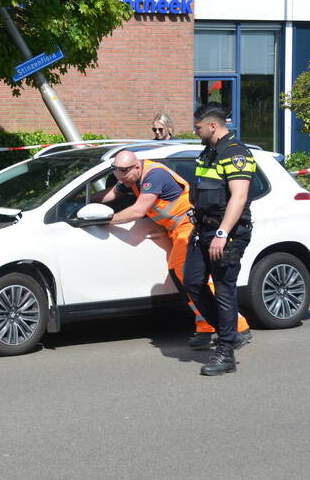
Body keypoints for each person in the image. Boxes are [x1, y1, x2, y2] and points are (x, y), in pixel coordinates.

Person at [97, 150, 249, 346]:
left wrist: (107, 219)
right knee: (189, 280)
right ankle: (206, 328)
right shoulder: (130, 175)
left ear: (136, 166)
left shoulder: (154, 175)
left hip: (189, 226)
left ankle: (238, 326)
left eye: (125, 177)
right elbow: (112, 193)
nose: (124, 182)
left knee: (187, 276)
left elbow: (139, 210)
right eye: (120, 177)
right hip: (175, 229)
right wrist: (84, 201)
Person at [185, 102, 256, 376]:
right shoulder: (210, 152)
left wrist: (222, 234)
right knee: (192, 281)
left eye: (198, 126)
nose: (195, 130)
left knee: (225, 290)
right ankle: (229, 333)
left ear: (213, 125)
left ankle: (226, 353)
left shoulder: (235, 152)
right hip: (203, 230)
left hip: (226, 234)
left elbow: (238, 197)